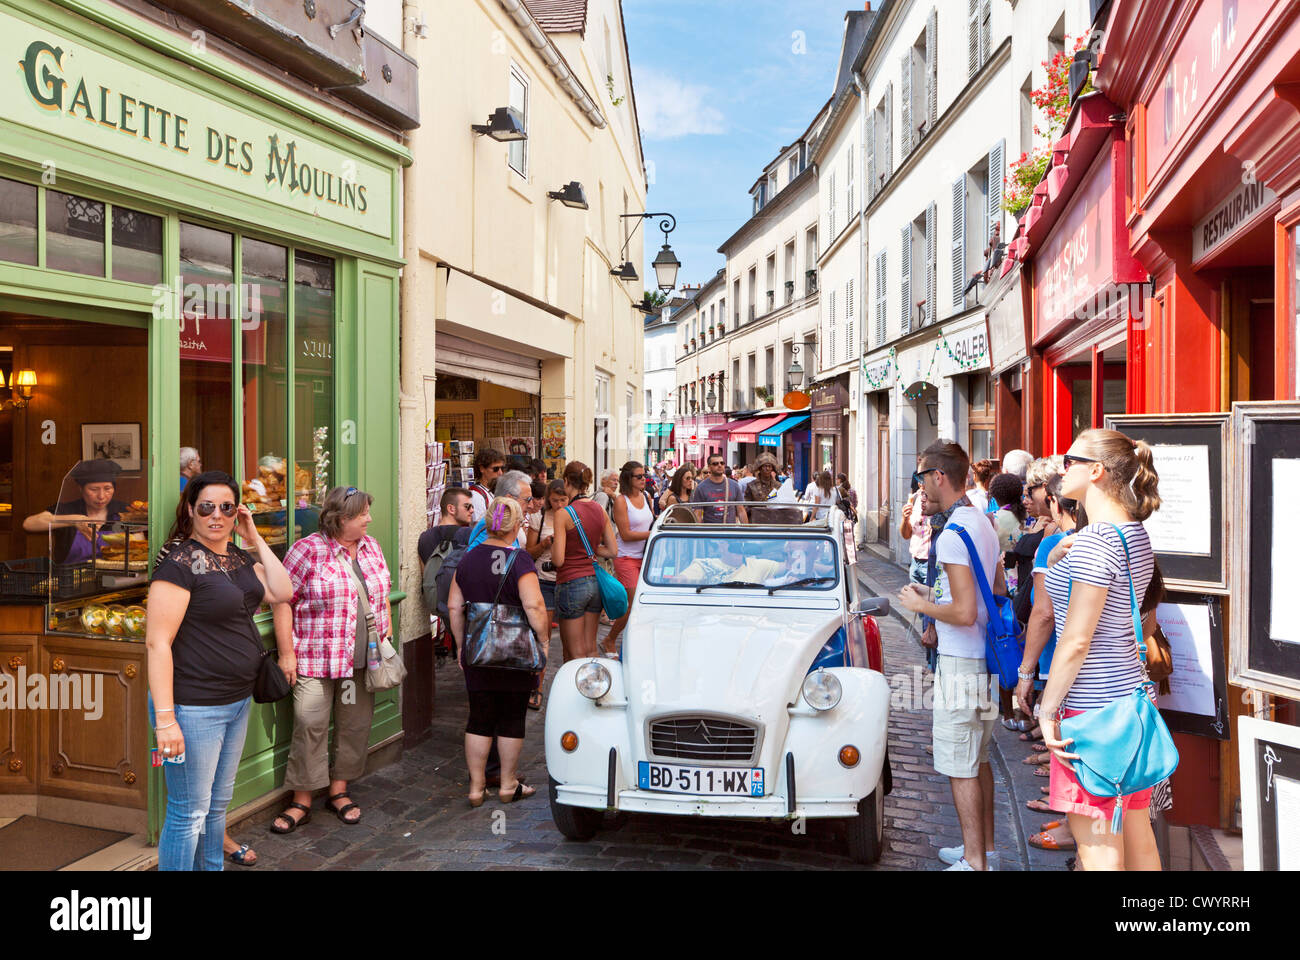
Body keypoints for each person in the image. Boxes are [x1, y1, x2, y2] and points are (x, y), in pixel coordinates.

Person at [146, 470, 293, 870]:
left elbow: (283, 591)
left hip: (236, 701)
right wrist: (165, 721)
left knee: (215, 808)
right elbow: (157, 643)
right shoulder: (179, 564)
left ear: (237, 512)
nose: (216, 515)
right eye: (207, 507)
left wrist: (254, 537)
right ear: (191, 510)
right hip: (191, 707)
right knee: (188, 812)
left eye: (226, 507)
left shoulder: (237, 558)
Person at [1039, 428, 1162, 871]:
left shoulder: (1096, 540)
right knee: (1136, 832)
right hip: (1129, 707)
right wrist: (1057, 562)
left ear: (1097, 471)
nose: (1061, 467)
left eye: (1070, 460)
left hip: (1091, 714)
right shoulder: (1132, 534)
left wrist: (1046, 711)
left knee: (1097, 846)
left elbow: (1076, 639)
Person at [895, 442, 1004, 871]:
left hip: (962, 661)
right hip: (985, 658)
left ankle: (975, 862)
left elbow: (963, 611)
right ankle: (985, 849)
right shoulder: (980, 520)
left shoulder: (956, 532)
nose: (921, 486)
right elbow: (989, 591)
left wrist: (924, 608)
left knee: (961, 764)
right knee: (979, 758)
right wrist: (933, 592)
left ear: (939, 476)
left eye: (922, 477)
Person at [271, 486, 394, 834]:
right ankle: (302, 799)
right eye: (362, 515)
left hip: (362, 660)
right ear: (340, 519)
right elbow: (282, 601)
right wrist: (286, 653)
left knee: (354, 725)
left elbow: (382, 591)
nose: (369, 519)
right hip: (314, 657)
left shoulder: (372, 547)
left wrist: (385, 633)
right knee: (309, 723)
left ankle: (339, 790)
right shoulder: (307, 550)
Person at [447, 497, 550, 806]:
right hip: (515, 653)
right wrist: (543, 641)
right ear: (516, 526)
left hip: (478, 650)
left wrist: (462, 643)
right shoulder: (519, 561)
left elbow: (454, 606)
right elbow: (533, 605)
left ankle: (476, 788)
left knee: (479, 717)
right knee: (511, 716)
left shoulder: (467, 558)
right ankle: (507, 784)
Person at [550, 461, 618, 661]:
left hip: (571, 582)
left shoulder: (563, 514)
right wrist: (591, 547)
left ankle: (577, 692)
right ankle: (596, 690)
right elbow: (612, 551)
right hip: (594, 582)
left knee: (575, 653)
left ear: (566, 481)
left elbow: (559, 559)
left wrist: (555, 546)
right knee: (590, 649)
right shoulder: (599, 509)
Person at [23, 458, 130, 564]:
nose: (101, 496)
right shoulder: (68, 509)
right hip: (71, 577)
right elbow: (29, 524)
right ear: (81, 489)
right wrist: (74, 520)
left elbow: (139, 541)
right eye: (94, 489)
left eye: (107, 489)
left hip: (113, 577)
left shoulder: (123, 510)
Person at [524, 479, 567, 710]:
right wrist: (544, 544)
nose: (559, 504)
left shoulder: (572, 516)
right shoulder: (538, 518)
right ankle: (537, 687)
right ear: (548, 499)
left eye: (563, 500)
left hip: (569, 580)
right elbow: (528, 553)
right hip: (544, 581)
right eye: (555, 500)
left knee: (572, 640)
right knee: (543, 638)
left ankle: (570, 688)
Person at [607, 461, 652, 655]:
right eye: (639, 476)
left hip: (644, 557)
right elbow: (625, 534)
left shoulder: (646, 496)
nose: (644, 479)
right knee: (633, 603)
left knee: (643, 603)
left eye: (644, 475)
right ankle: (610, 639)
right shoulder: (621, 501)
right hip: (625, 556)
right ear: (629, 479)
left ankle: (636, 640)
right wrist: (652, 535)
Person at [744, 452, 800, 523]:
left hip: (775, 522)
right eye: (765, 466)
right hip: (757, 522)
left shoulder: (778, 486)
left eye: (769, 466)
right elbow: (745, 506)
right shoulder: (751, 485)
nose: (767, 469)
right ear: (760, 468)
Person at [691, 453, 746, 523]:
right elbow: (697, 513)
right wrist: (698, 532)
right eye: (715, 464)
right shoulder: (701, 488)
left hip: (730, 531)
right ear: (709, 467)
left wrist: (745, 530)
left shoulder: (734, 485)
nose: (719, 465)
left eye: (722, 463)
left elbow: (741, 510)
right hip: (710, 531)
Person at [469, 448, 505, 523]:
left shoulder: (493, 492)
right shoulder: (476, 496)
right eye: (496, 469)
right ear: (482, 469)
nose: (500, 473)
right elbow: (480, 528)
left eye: (502, 468)